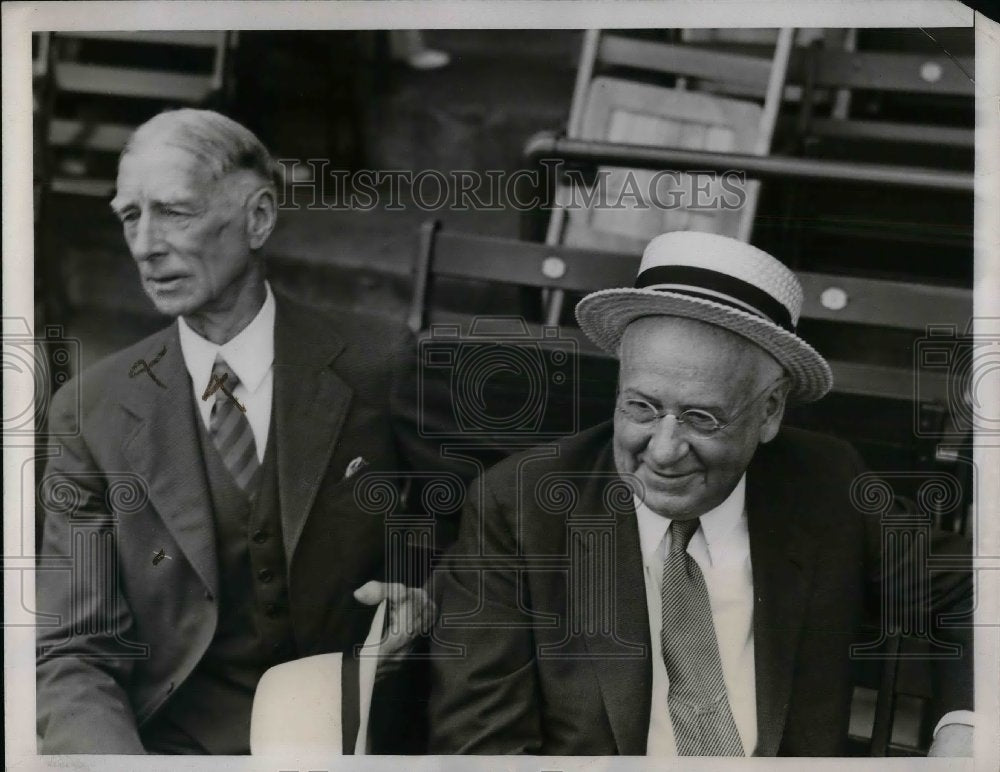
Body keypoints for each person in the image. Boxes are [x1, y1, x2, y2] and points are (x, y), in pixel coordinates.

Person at [428, 230, 974, 756]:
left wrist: (966, 727)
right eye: (641, 407)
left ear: (770, 411)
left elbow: (975, 588)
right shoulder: (521, 507)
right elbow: (482, 746)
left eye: (701, 418)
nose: (664, 451)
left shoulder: (825, 483)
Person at [36, 109, 436, 754]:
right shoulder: (91, 411)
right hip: (171, 745)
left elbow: (473, 540)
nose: (145, 245)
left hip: (350, 731)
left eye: (175, 212)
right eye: (130, 216)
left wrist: (425, 598)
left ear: (258, 218)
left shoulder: (379, 363)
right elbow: (72, 648)